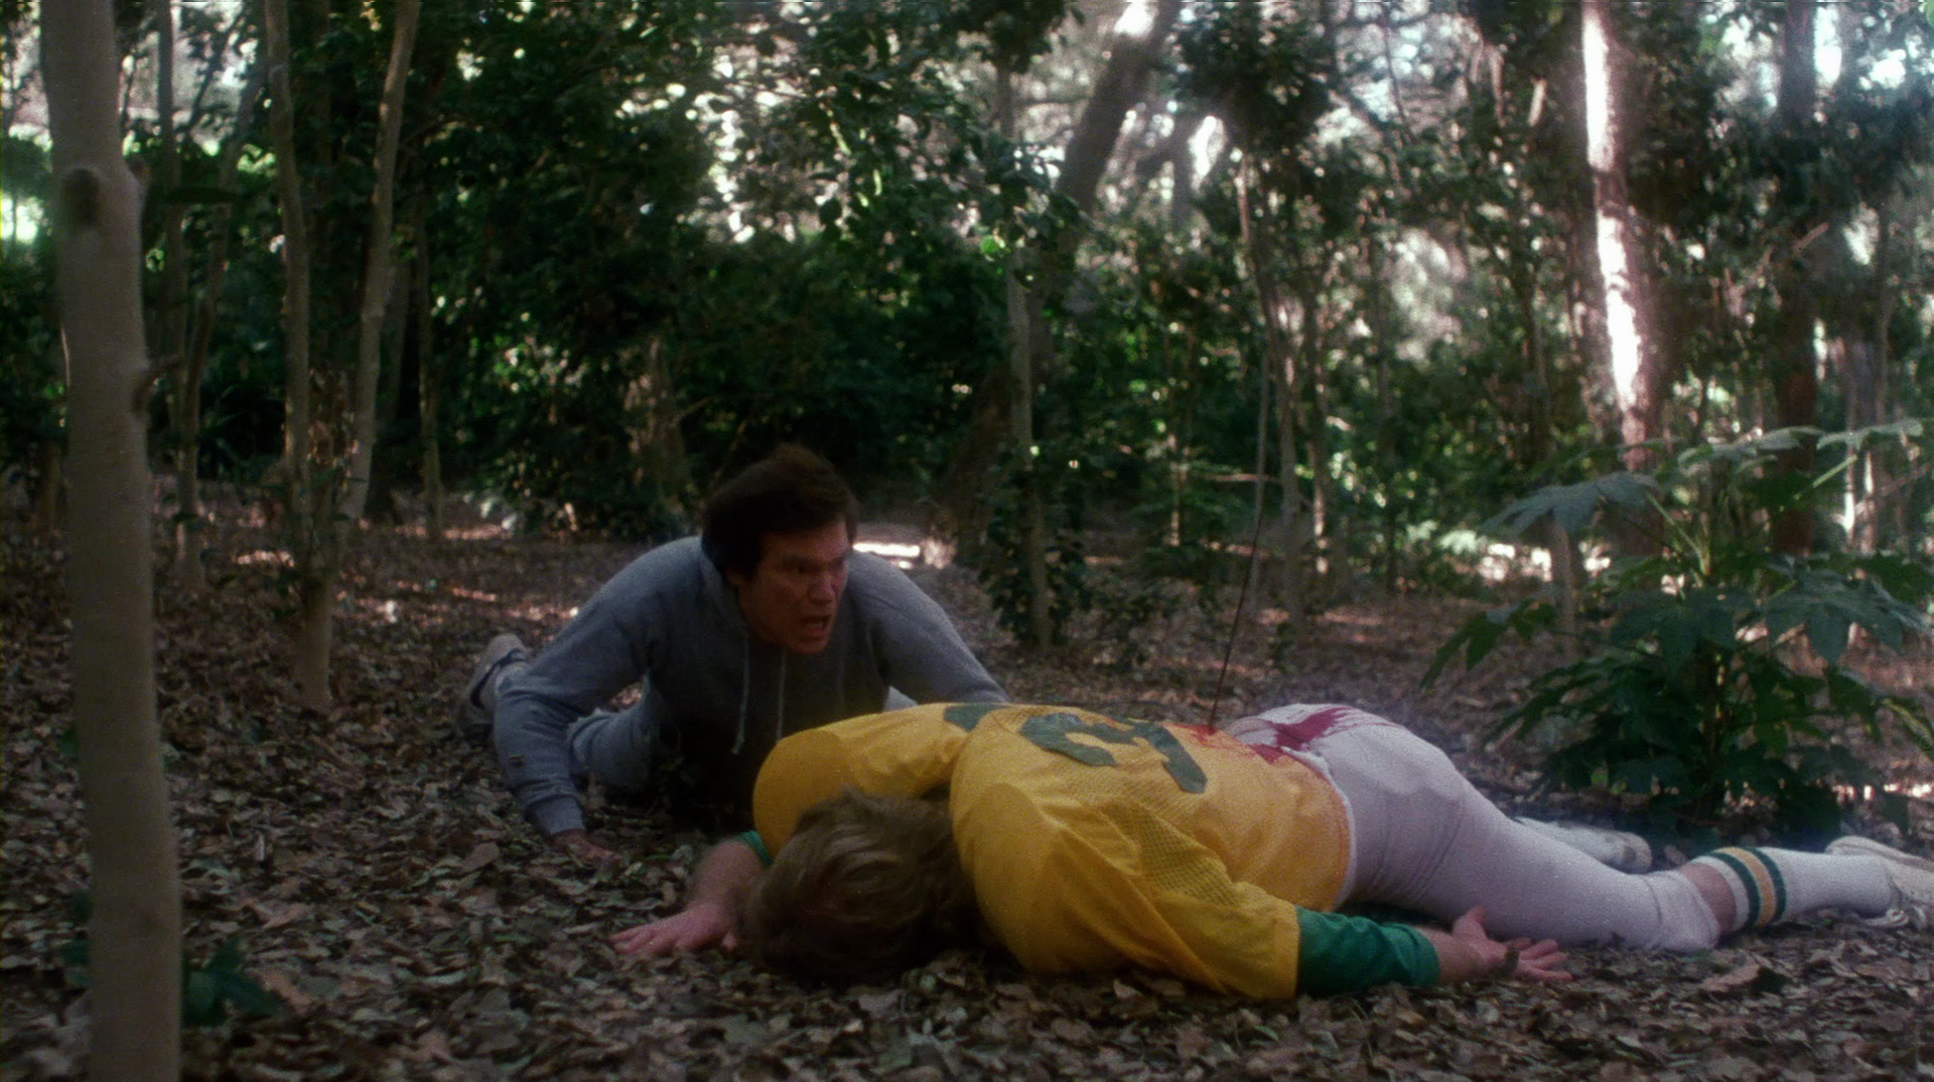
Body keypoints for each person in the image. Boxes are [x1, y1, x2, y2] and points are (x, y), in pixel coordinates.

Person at [612, 702, 1934, 997]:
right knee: (1517, 855)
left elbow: (1289, 945)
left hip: (1384, 807)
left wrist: (1455, 958)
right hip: (1283, 738)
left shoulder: (1044, 881)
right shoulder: (942, 764)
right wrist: (726, 897)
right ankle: (1575, 843)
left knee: (1661, 928)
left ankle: (1857, 869)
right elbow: (761, 827)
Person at [456, 446, 1007, 863]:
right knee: (572, 734)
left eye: (837, 564)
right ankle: (499, 678)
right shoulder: (661, 589)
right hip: (669, 759)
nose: (825, 592)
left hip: (822, 764)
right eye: (797, 570)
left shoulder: (878, 599)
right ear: (736, 572)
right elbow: (538, 704)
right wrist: (565, 831)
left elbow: (988, 715)